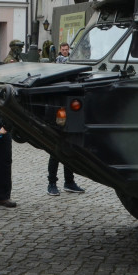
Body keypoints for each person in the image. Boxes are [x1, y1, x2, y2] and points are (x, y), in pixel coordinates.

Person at [48, 49, 85, 196]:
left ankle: (69, 182)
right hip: (58, 119)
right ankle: (52, 183)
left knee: (70, 150)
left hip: (71, 117)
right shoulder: (55, 83)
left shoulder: (74, 81)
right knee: (55, 152)